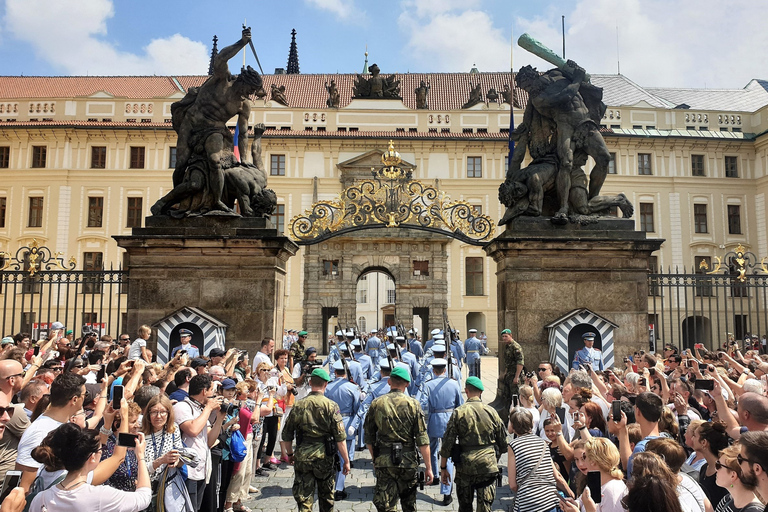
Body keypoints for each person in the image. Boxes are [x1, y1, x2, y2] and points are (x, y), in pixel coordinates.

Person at [28, 423, 151, 512]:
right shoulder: (101, 496)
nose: (102, 452)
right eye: (100, 449)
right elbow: (144, 497)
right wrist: (140, 456)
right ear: (92, 457)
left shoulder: (40, 499)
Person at [365, 365, 433, 512]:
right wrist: (428, 467)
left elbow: (368, 437)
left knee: (386, 505)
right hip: (407, 461)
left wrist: (374, 458)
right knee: (409, 504)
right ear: (407, 384)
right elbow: (422, 439)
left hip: (384, 460)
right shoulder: (414, 404)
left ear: (389, 381)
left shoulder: (377, 403)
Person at [282, 367, 350, 512]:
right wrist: (346, 460)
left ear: (311, 382)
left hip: (303, 456)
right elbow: (340, 438)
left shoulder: (299, 405)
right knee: (326, 498)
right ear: (326, 384)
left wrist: (289, 454)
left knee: (304, 498)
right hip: (324, 457)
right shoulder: (331, 406)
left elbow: (287, 434)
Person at [441, 376, 506, 512]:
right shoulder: (492, 412)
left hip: (465, 467)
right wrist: (494, 458)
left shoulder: (459, 412)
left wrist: (443, 468)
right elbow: (503, 442)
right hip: (487, 466)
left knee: (465, 507)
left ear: (466, 391)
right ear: (481, 392)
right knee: (485, 507)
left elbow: (447, 442)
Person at [16, 372, 86, 492]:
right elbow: (23, 487)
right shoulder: (40, 431)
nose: (85, 398)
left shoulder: (60, 424)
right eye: (85, 394)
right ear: (74, 399)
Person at [173, 373, 225, 511]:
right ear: (204, 391)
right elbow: (193, 430)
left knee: (196, 508)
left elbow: (209, 441)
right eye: (211, 391)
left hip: (201, 469)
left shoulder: (200, 410)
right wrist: (208, 409)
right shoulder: (182, 407)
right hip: (187, 470)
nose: (213, 396)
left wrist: (219, 419)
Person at [418, 358, 463, 505]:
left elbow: (422, 404)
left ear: (433, 370)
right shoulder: (454, 383)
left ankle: (435, 475)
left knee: (431, 449)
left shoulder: (428, 384)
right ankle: (446, 490)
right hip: (449, 419)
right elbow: (460, 404)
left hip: (434, 419)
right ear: (445, 370)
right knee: (447, 455)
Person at [507, 408, 560, 512]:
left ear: (512, 426)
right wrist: (571, 495)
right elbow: (557, 476)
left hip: (529, 502)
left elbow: (512, 485)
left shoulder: (513, 445)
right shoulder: (543, 443)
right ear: (532, 423)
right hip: (550, 500)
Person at [324, 360, 360, 501]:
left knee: (331, 455)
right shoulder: (352, 388)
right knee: (344, 457)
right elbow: (357, 408)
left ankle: (331, 484)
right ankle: (339, 488)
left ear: (335, 372)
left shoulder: (327, 387)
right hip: (347, 422)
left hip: (330, 424)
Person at [583, 438, 627, 512]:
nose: (583, 461)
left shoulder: (612, 490)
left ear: (593, 461)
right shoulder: (597, 483)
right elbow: (580, 501)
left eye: (585, 456)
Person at [499, 329, 524, 414]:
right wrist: (505, 372)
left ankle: (518, 414)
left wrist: (517, 377)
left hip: (515, 375)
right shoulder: (507, 346)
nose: (504, 338)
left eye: (506, 336)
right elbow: (508, 362)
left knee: (516, 396)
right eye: (503, 336)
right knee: (508, 396)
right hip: (509, 375)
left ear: (511, 336)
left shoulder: (515, 347)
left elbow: (520, 362)